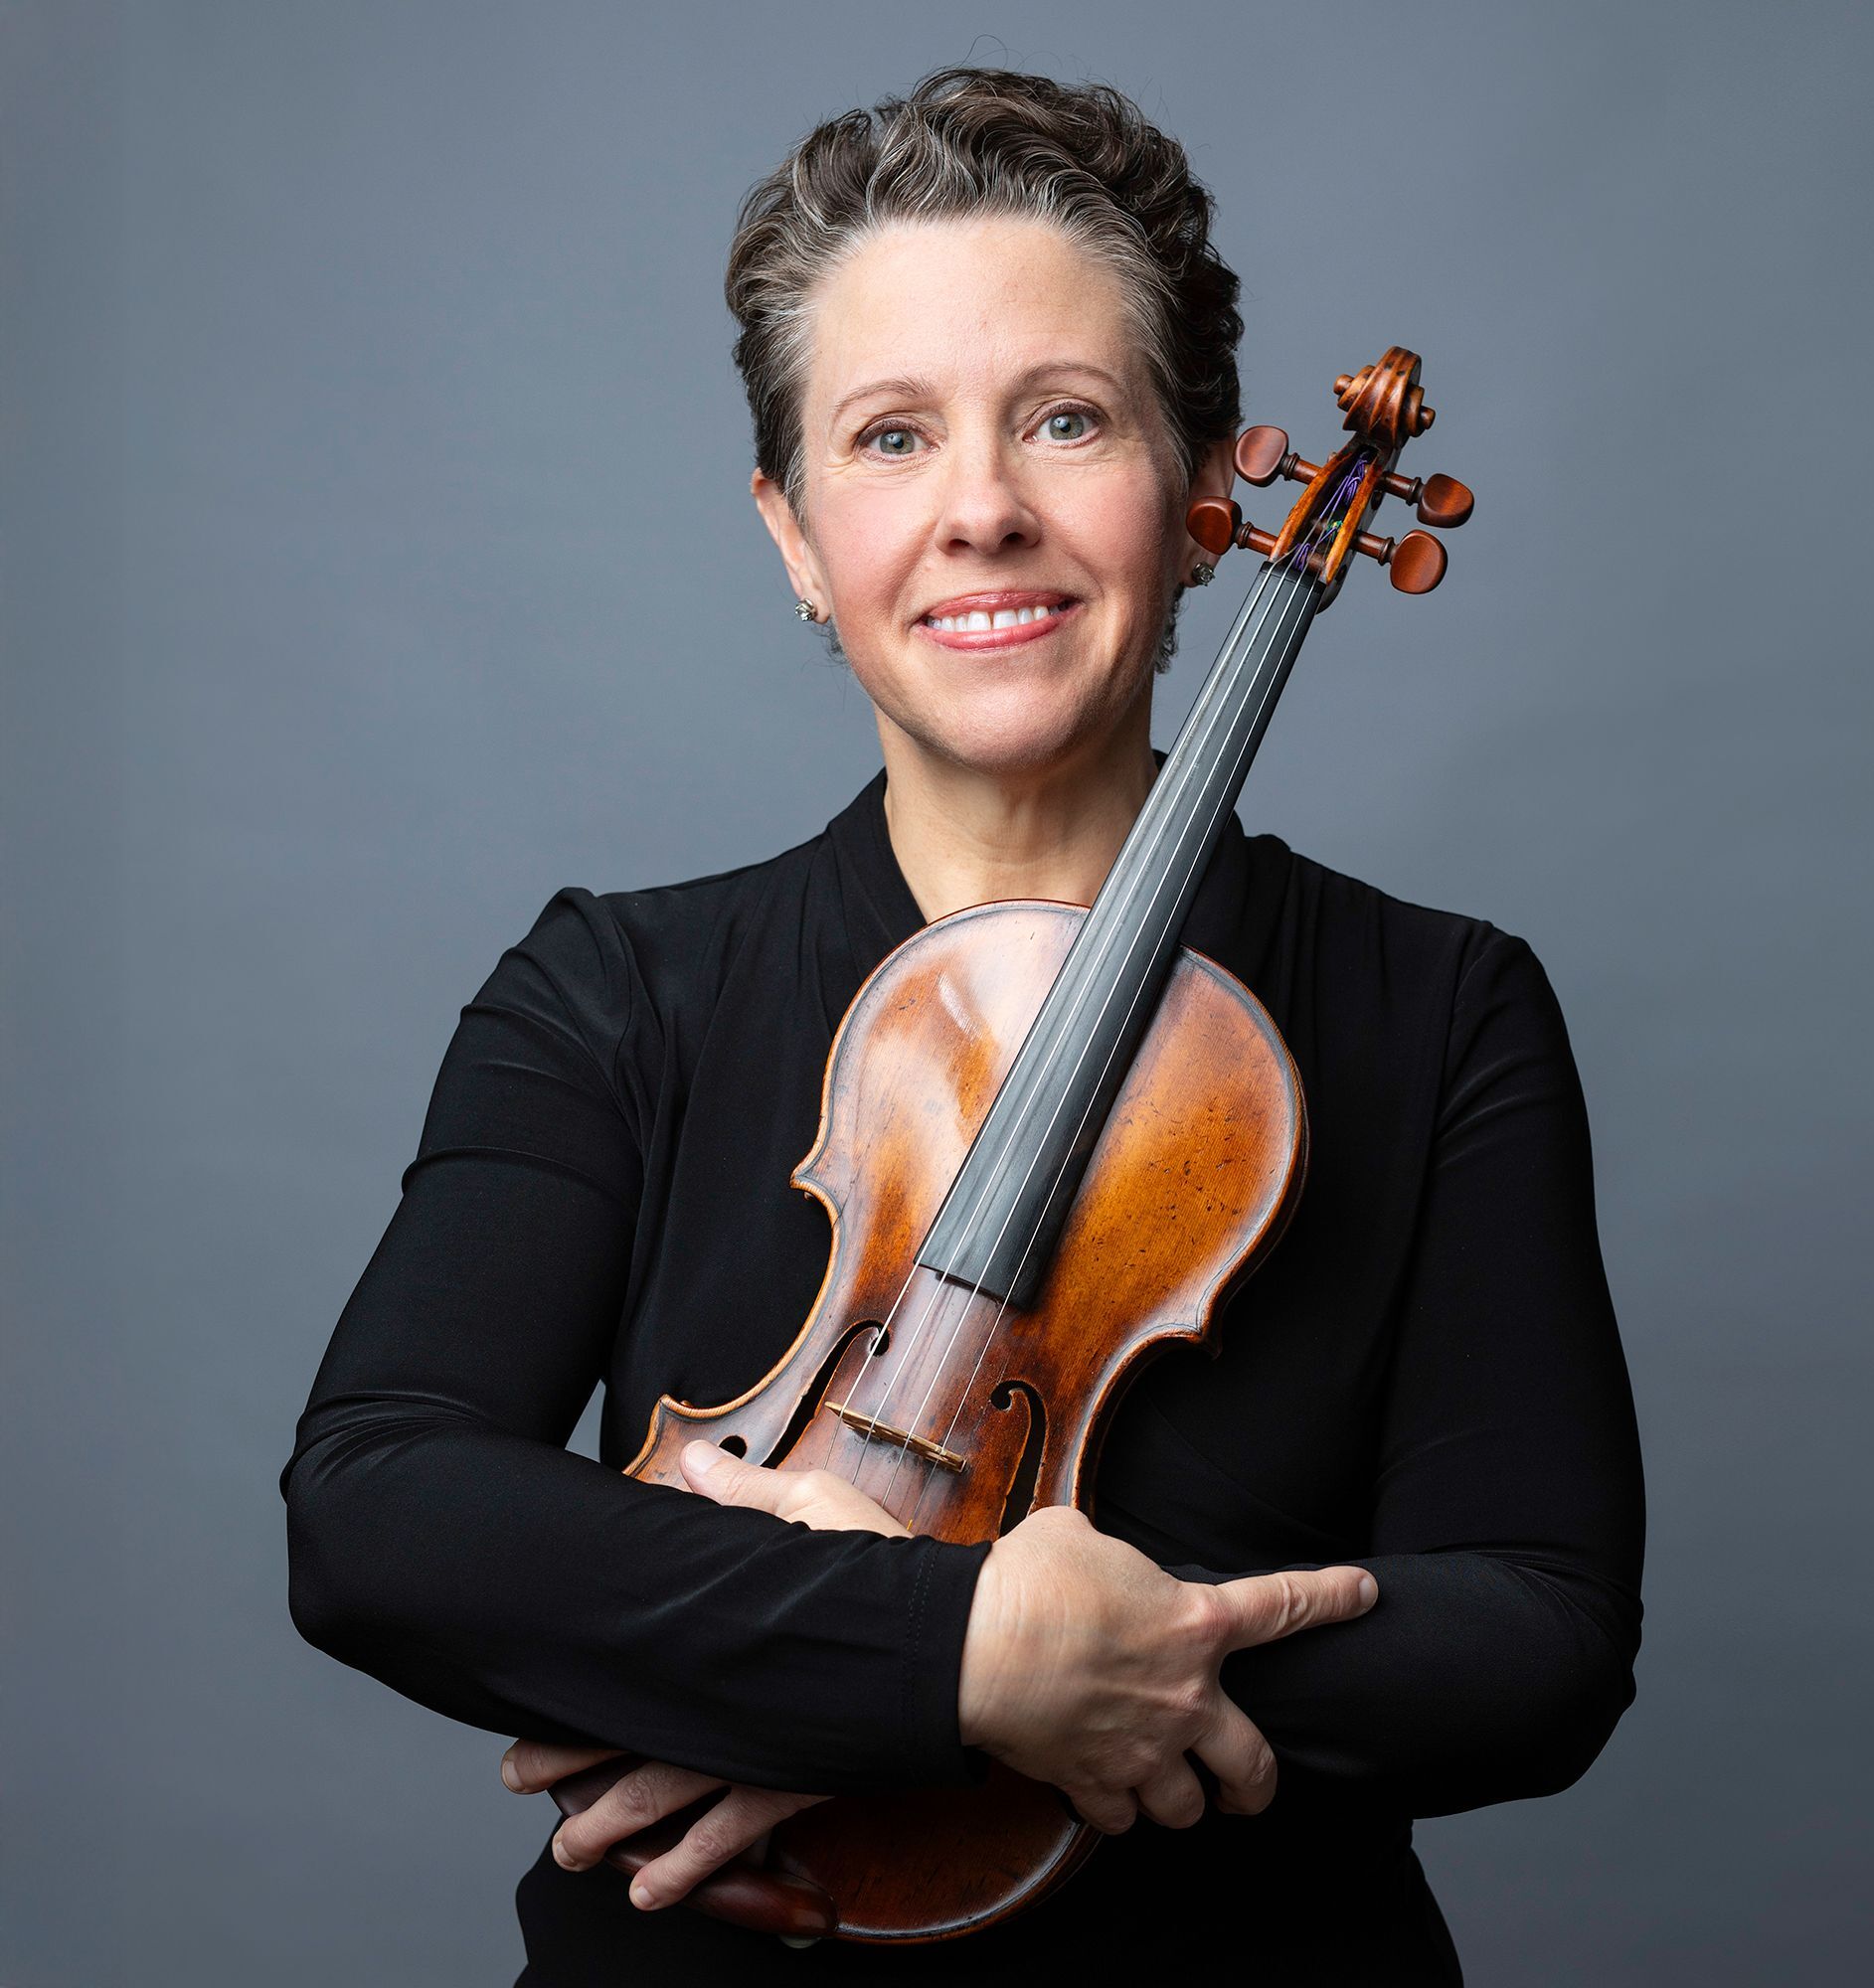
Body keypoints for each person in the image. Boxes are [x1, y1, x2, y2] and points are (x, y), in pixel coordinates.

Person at [281, 66, 1644, 1985]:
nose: (983, 511)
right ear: (790, 536)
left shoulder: (1439, 1007)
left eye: (1065, 421)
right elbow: (379, 1511)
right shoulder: (615, 990)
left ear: (1195, 501)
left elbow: (1540, 1640)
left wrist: (1030, 1666)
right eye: (892, 437)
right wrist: (951, 1663)